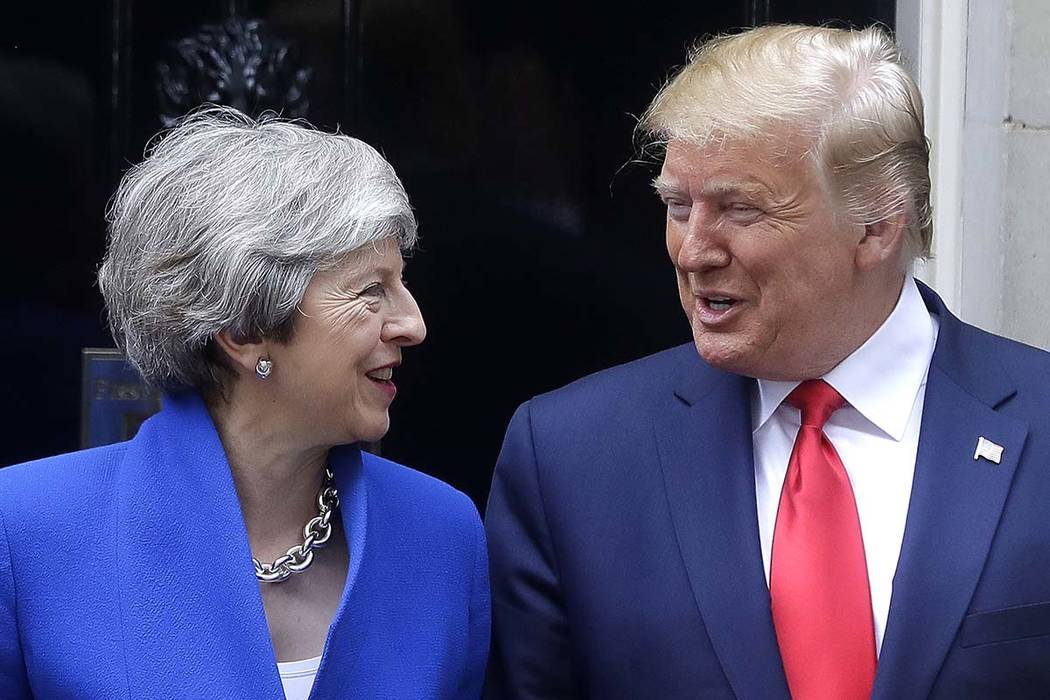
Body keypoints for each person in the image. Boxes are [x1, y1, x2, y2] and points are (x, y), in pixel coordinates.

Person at [485, 24, 1050, 699]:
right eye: (678, 205)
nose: (693, 251)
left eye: (739, 208)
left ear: (877, 224)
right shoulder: (571, 457)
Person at [0, 106, 489, 699]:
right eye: (370, 291)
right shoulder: (27, 530)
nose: (412, 324)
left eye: (401, 285)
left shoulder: (441, 533)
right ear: (244, 333)